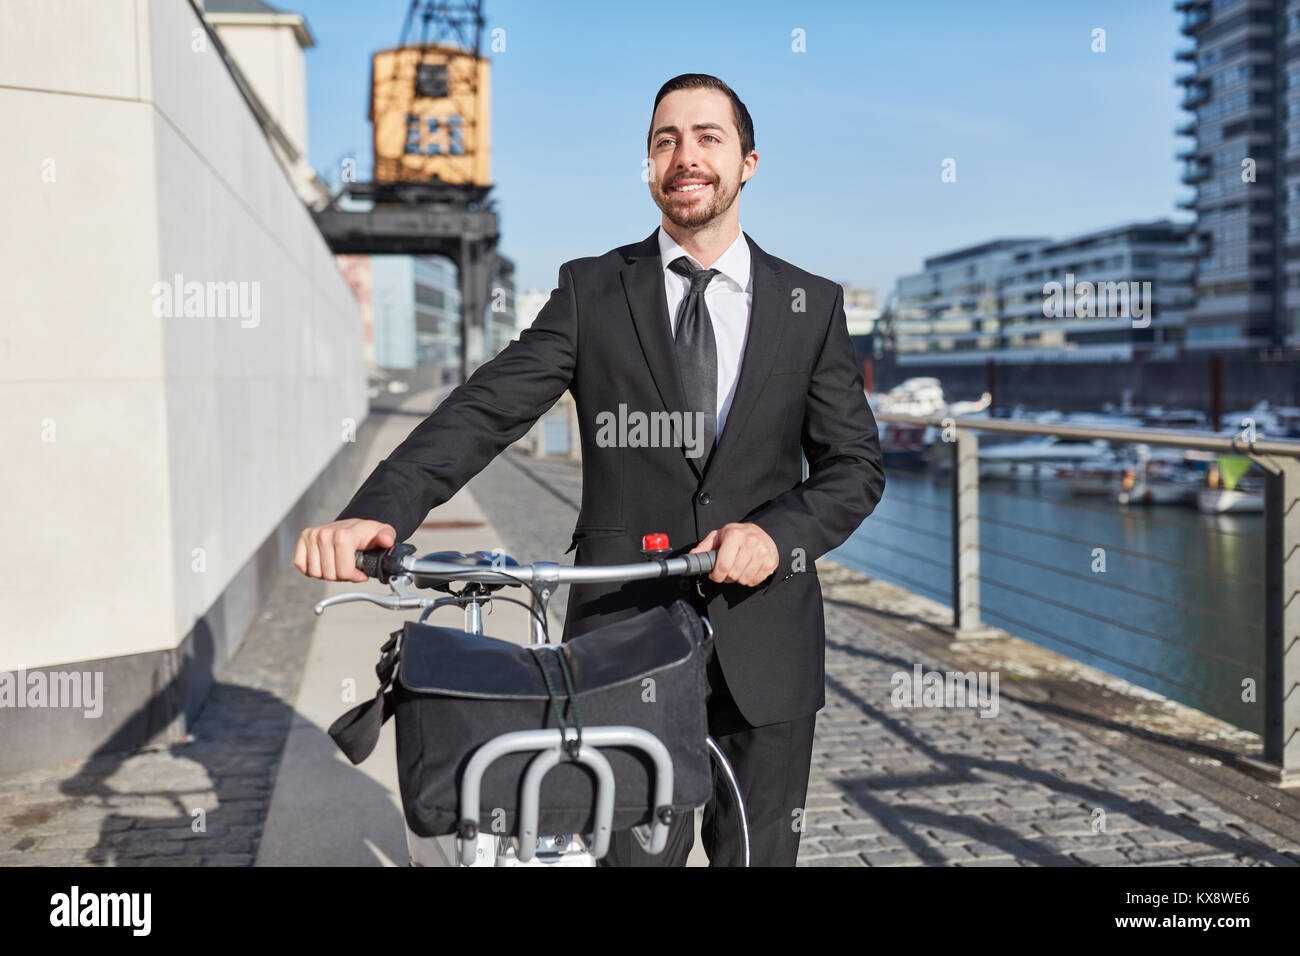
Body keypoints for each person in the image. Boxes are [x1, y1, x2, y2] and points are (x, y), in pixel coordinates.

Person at [295, 72, 885, 866]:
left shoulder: (810, 305)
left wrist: (779, 535)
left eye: (708, 136)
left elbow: (855, 466)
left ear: (748, 161)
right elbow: (484, 410)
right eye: (664, 140)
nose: (685, 155)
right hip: (620, 644)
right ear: (649, 166)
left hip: (767, 645)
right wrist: (383, 507)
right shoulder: (591, 291)